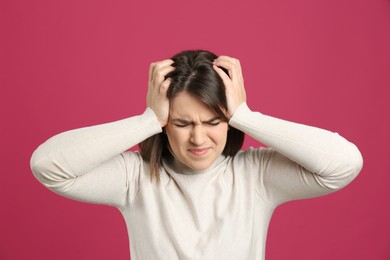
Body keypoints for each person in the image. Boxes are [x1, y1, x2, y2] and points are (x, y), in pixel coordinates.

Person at [30, 50, 363, 260]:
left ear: (228, 121)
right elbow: (49, 166)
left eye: (213, 121)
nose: (198, 138)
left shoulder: (255, 176)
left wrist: (246, 116)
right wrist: (147, 120)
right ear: (165, 124)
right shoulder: (136, 177)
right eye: (181, 122)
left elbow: (343, 163)